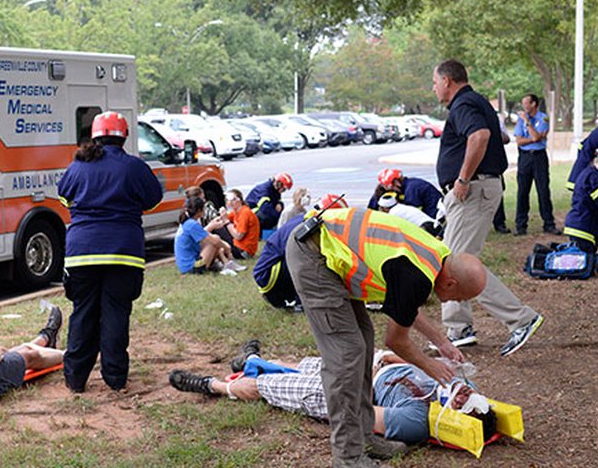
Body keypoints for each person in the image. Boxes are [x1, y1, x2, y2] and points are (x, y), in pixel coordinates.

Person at [286, 207, 487, 467]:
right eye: (461, 297)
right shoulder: (417, 275)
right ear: (451, 284)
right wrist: (431, 366)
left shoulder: (437, 257)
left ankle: (364, 436)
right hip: (314, 255)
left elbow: (405, 307)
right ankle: (347, 456)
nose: (458, 302)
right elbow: (396, 340)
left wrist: (442, 343)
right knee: (347, 354)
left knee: (363, 340)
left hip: (334, 254)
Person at [169, 343, 496, 449]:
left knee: (267, 387)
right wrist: (383, 359)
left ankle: (214, 385)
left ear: (457, 418)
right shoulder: (456, 387)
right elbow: (415, 360)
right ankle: (255, 361)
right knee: (306, 365)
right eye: (471, 394)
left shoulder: (417, 421)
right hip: (374, 367)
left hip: (358, 391)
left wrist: (359, 381)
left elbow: (359, 414)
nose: (465, 392)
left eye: (464, 402)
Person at [432, 60, 545, 357]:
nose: (433, 88)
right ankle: (458, 329)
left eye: (435, 82)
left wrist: (463, 178)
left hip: (473, 190)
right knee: (453, 259)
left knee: (457, 265)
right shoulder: (477, 102)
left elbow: (480, 136)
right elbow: (501, 137)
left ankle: (521, 318)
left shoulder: (463, 104)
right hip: (480, 188)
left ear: (447, 80)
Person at [57, 111, 163, 392]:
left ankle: (75, 379)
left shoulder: (78, 166)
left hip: (82, 252)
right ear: (124, 135)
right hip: (124, 252)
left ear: (94, 135)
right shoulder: (134, 167)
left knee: (83, 313)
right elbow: (153, 199)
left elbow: (63, 196)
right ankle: (115, 378)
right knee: (116, 313)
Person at [253, 194, 347, 311]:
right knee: (310, 259)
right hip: (270, 275)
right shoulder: (307, 227)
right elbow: (298, 258)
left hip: (273, 271)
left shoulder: (306, 219)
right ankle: (301, 301)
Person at [513, 94, 560, 236]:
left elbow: (535, 137)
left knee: (543, 191)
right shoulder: (520, 120)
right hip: (525, 157)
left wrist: (527, 123)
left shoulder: (543, 118)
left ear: (533, 104)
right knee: (522, 192)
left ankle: (549, 224)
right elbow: (519, 141)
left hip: (539, 157)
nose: (524, 107)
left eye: (526, 103)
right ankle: (521, 226)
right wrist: (534, 138)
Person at [174, 196, 238, 275]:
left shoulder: (187, 223)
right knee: (213, 242)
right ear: (199, 210)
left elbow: (204, 235)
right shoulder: (192, 224)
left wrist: (212, 225)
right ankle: (227, 263)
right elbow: (214, 241)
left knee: (213, 240)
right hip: (191, 267)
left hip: (185, 266)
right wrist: (227, 248)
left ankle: (226, 263)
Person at [368, 168, 442, 220]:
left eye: (392, 186)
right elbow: (372, 206)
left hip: (435, 217)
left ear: (397, 181)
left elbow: (410, 214)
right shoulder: (403, 188)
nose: (392, 189)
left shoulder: (413, 188)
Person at [376, 193, 443, 238]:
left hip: (426, 228)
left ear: (385, 208)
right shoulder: (402, 207)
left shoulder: (393, 214)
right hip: (436, 226)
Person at [223, 189, 260, 259]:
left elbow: (238, 236)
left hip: (244, 251)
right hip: (239, 248)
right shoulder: (236, 211)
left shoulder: (245, 213)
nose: (230, 202)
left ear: (240, 200)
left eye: (233, 200)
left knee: (219, 232)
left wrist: (227, 222)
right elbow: (224, 219)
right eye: (228, 200)